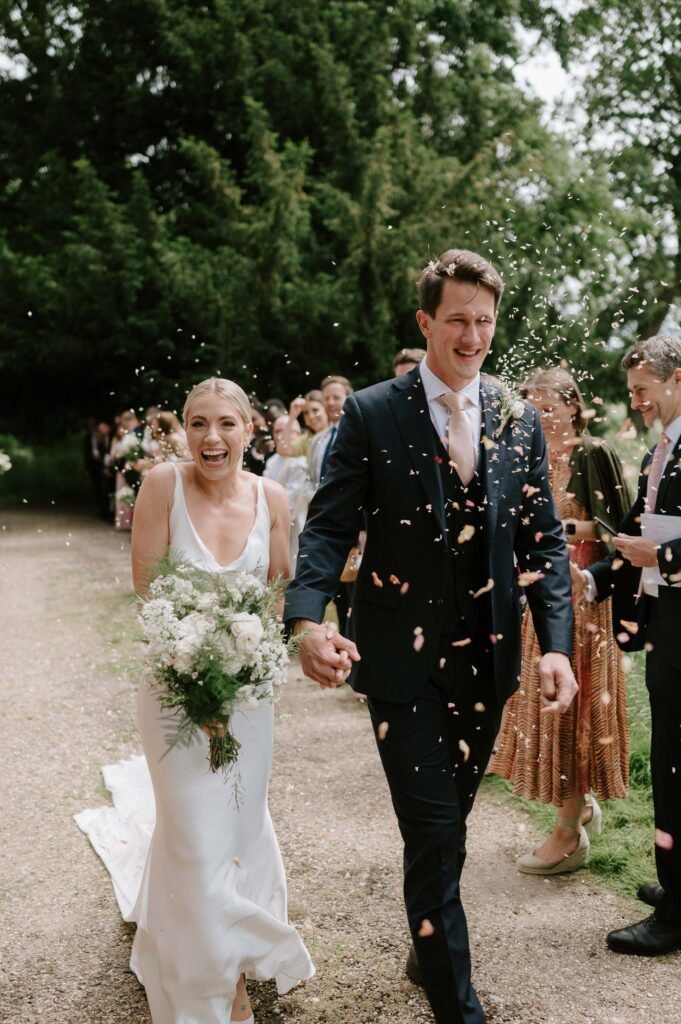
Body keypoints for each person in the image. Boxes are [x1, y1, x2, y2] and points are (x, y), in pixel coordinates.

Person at [284, 248, 577, 1024]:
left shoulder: (516, 417)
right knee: (435, 826)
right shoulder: (373, 411)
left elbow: (543, 542)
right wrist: (306, 618)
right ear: (425, 321)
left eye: (484, 321)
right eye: (457, 320)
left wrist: (554, 644)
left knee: (450, 820)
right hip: (397, 662)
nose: (473, 335)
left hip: (486, 660)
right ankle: (458, 1008)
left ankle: (426, 939)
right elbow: (328, 528)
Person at [80, 378, 315, 1023]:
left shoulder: (272, 498)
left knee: (237, 827)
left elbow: (278, 595)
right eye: (197, 423)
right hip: (173, 689)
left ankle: (232, 955)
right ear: (184, 430)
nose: (212, 438)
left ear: (249, 430)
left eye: (226, 424)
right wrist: (194, 677)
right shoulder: (162, 485)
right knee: (191, 832)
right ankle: (216, 984)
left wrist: (252, 664)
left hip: (250, 694)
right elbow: (147, 591)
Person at [490, 367, 631, 873]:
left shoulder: (594, 453)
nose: (542, 417)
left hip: (585, 600)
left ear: (574, 405)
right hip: (543, 598)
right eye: (534, 408)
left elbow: (621, 528)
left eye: (550, 407)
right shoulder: (531, 454)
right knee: (546, 707)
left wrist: (560, 528)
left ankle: (569, 833)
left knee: (574, 712)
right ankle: (578, 806)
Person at [572, 334, 681, 956]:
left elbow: (653, 547)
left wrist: (664, 557)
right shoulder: (657, 453)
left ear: (675, 378)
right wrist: (590, 579)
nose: (635, 403)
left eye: (642, 390)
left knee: (674, 769)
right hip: (667, 633)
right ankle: (676, 887)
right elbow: (634, 536)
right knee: (669, 767)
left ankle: (676, 917)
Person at [263, 415, 308, 569]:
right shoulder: (272, 461)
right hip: (268, 523)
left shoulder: (301, 461)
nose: (283, 435)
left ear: (299, 434)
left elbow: (291, 501)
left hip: (294, 526)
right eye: (278, 431)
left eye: (289, 430)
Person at [279, 390, 328, 462]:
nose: (311, 416)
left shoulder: (338, 432)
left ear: (326, 408)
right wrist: (292, 417)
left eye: (315, 410)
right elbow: (283, 450)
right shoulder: (307, 438)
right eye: (306, 413)